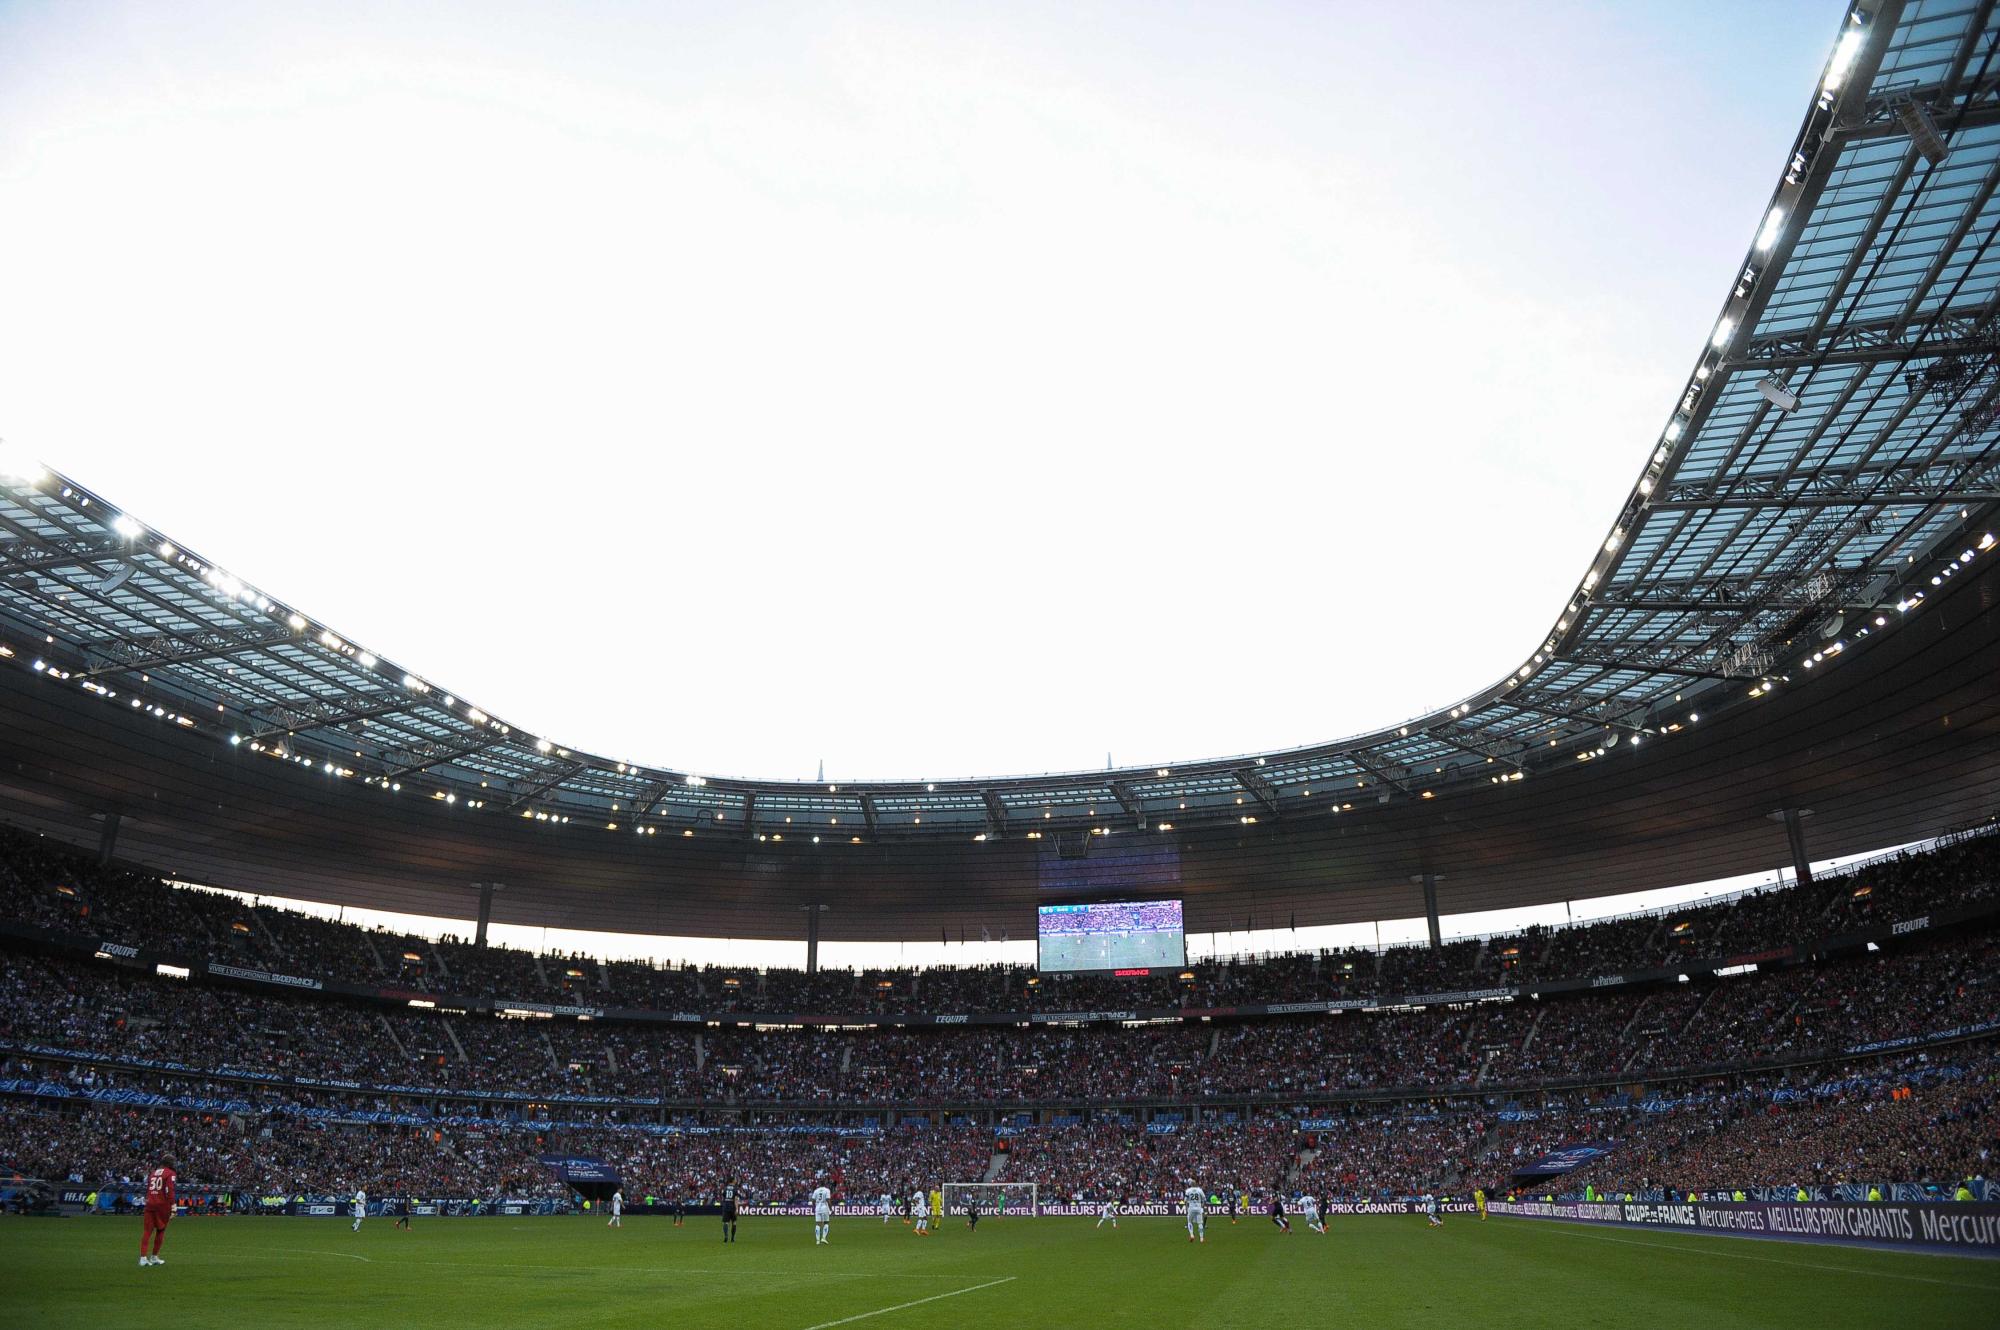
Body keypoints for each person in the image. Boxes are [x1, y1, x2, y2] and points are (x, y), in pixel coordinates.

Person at [139, 1156, 175, 1268]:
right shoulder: (170, 1173)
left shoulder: (153, 1173)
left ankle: (143, 1258)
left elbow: (149, 1188)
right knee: (161, 1230)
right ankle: (154, 1256)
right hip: (162, 1205)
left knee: (147, 1231)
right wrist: (173, 1205)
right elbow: (169, 1190)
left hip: (150, 1203)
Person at [721, 1178, 739, 1244]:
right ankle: (732, 1238)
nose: (736, 1180)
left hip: (726, 1206)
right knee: (734, 1222)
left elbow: (723, 1197)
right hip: (732, 1206)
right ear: (733, 1181)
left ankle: (726, 1236)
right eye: (735, 1179)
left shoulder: (725, 1188)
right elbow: (736, 1199)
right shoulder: (735, 1189)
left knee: (726, 1222)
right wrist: (737, 1208)